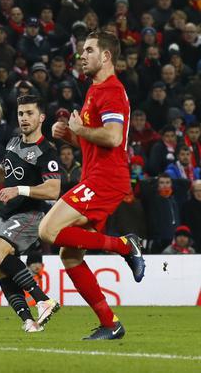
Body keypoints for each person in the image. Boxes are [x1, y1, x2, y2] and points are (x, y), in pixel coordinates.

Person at [39, 31, 145, 340]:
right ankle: (110, 324)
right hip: (97, 176)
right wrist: (70, 135)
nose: (82, 55)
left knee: (48, 230)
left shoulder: (110, 90)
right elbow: (98, 141)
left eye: (89, 50)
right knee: (70, 256)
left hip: (105, 179)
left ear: (106, 56)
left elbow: (112, 137)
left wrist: (79, 128)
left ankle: (126, 245)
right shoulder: (95, 89)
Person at [0, 94, 61, 333]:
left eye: (29, 113)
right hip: (6, 214)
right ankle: (29, 321)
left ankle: (43, 300)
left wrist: (18, 189)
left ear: (41, 118)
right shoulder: (13, 143)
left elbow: (53, 189)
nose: (24, 118)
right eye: (21, 114)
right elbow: (2, 170)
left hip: (29, 214)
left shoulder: (46, 151)